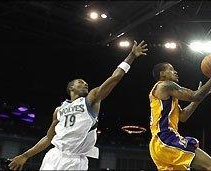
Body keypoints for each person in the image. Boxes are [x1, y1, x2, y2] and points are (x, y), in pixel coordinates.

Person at [8, 40, 148, 170]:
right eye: (80, 82)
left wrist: (131, 56)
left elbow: (114, 78)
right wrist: (25, 155)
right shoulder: (59, 109)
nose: (85, 84)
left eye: (86, 83)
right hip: (54, 155)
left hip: (75, 160)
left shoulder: (91, 100)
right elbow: (48, 138)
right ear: (71, 88)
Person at [149, 61, 211, 170]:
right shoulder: (165, 85)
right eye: (171, 69)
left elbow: (183, 116)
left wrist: (200, 95)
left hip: (158, 145)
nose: (175, 72)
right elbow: (195, 95)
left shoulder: (167, 96)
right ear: (162, 74)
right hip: (165, 138)